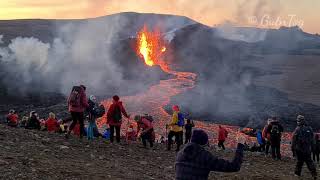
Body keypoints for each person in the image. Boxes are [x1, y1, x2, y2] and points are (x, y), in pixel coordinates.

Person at [175, 129, 245, 180]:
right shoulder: (204, 156)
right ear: (204, 143)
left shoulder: (180, 154)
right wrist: (240, 145)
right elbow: (234, 167)